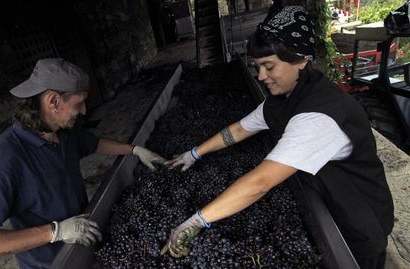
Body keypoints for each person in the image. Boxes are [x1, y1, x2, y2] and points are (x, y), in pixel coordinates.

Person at [161, 5, 394, 269]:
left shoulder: (320, 115)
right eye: (257, 66)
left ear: (301, 60)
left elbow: (260, 182)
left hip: (357, 221)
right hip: (323, 197)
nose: (261, 76)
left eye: (269, 67)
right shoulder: (281, 99)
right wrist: (193, 154)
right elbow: (238, 130)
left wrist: (197, 221)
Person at [0, 58, 167, 269]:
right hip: (50, 263)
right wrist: (55, 231)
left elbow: (94, 144)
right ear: (53, 101)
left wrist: (133, 150)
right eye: (79, 103)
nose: (84, 110)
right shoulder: (6, 159)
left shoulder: (63, 131)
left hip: (84, 244)